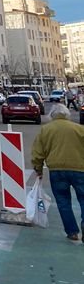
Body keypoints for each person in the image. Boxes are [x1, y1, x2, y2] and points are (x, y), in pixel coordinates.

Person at [30, 103, 84, 241]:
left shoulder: (46, 130)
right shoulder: (79, 129)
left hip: (57, 171)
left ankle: (72, 232)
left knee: (63, 201)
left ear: (52, 115)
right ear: (67, 114)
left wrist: (38, 169)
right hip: (80, 170)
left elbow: (38, 153)